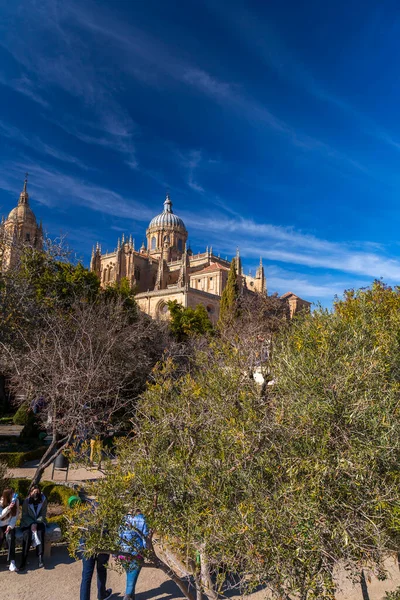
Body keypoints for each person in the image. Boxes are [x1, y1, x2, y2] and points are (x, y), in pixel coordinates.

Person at [118, 509, 149, 600]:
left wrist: (115, 554)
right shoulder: (142, 519)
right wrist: (147, 552)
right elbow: (145, 539)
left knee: (130, 578)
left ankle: (132, 597)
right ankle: (128, 597)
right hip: (136, 554)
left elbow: (119, 536)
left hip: (123, 554)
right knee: (130, 584)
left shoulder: (124, 518)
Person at [19, 484, 47, 570]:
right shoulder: (26, 502)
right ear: (30, 493)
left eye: (37, 492)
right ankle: (24, 559)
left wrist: (36, 523)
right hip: (27, 523)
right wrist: (31, 523)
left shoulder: (43, 500)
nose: (36, 494)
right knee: (27, 535)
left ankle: (40, 558)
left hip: (39, 521)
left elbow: (43, 514)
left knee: (40, 533)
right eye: (34, 492)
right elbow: (24, 515)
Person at [0, 487, 19, 572]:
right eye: (12, 494)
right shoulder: (1, 502)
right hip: (0, 525)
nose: (13, 495)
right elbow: (0, 516)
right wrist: (8, 508)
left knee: (10, 537)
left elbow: (15, 516)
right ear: (7, 496)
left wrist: (10, 526)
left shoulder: (16, 501)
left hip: (9, 525)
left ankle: (12, 562)